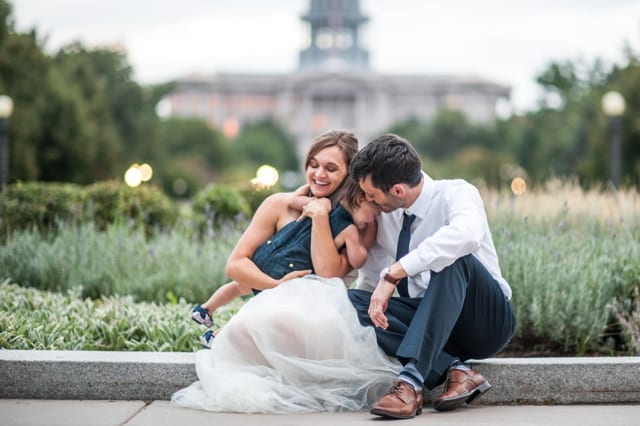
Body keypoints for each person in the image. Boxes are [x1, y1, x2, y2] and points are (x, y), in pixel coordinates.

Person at [171, 130, 401, 413]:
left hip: (321, 311)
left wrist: (319, 217)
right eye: (313, 164)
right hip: (277, 298)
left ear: (349, 175)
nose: (319, 174)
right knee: (261, 321)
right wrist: (276, 284)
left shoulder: (360, 221)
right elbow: (235, 265)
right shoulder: (279, 205)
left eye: (331, 168)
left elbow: (330, 274)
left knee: (280, 319)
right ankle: (223, 332)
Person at [347, 134, 516, 419]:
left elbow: (467, 234)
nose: (369, 200)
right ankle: (456, 370)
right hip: (428, 321)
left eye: (373, 194)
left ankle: (411, 383)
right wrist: (363, 309)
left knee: (453, 258)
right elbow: (370, 279)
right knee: (347, 301)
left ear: (398, 190)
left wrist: (395, 273)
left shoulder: (457, 193)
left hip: (482, 321)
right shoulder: (385, 215)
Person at [190, 176, 378, 348]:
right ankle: (218, 335)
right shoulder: (350, 229)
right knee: (257, 310)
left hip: (272, 253)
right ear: (361, 200)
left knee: (239, 287)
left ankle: (206, 308)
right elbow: (358, 259)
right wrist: (369, 233)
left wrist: (304, 192)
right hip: (288, 269)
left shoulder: (322, 204)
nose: (374, 217)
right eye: (374, 212)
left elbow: (293, 201)